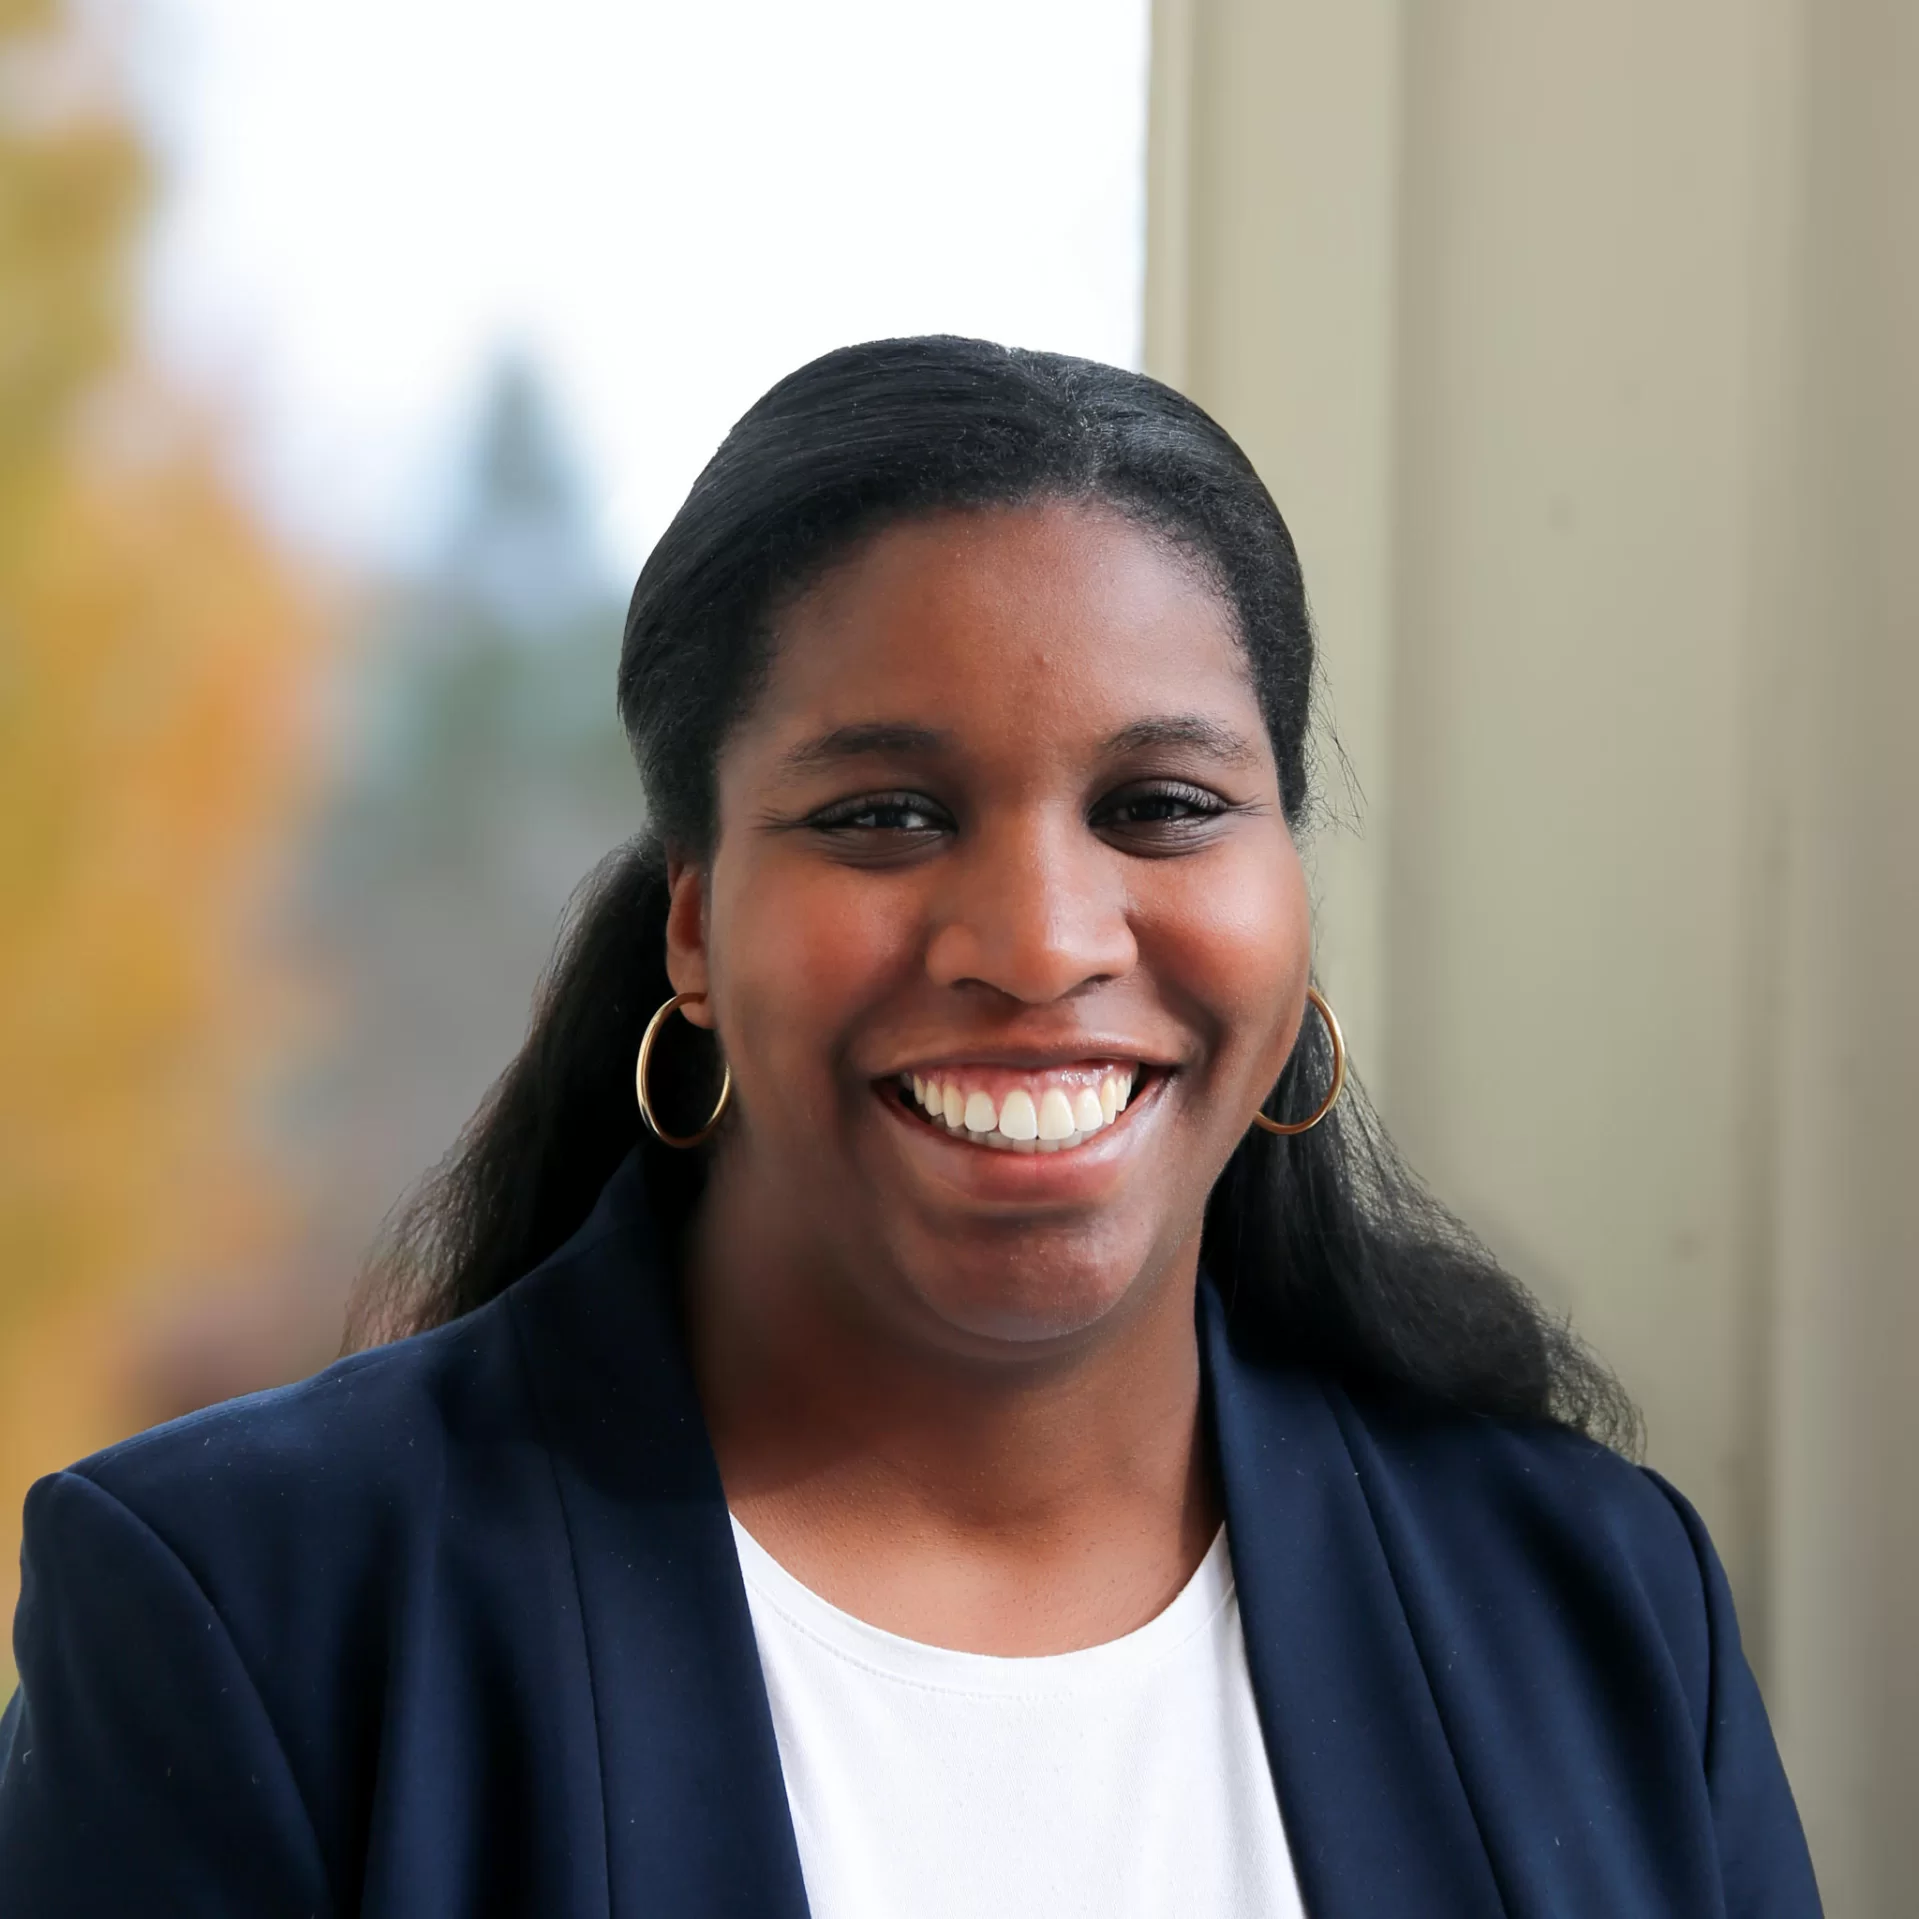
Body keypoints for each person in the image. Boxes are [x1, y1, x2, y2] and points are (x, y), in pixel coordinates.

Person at [0, 337, 1820, 1917]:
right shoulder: (252, 1616)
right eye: (882, 815)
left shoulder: (1585, 1605)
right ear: (693, 924)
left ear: (1287, 891)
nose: (1038, 940)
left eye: (1163, 804)